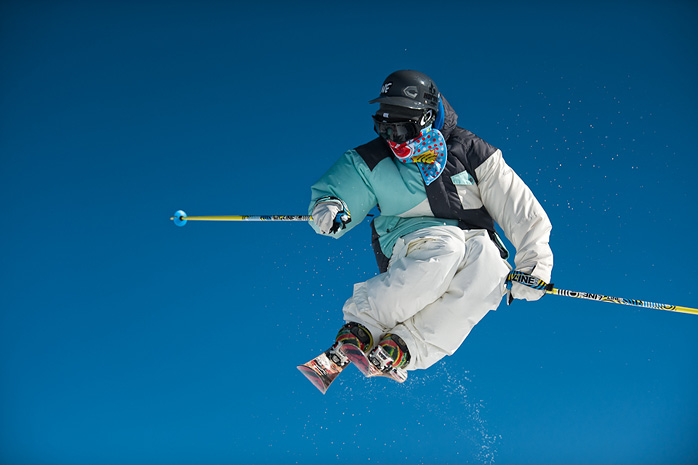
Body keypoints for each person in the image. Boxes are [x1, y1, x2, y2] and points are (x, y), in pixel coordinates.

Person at [308, 70, 553, 381]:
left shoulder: (470, 150)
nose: (390, 138)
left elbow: (519, 207)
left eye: (399, 129)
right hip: (409, 237)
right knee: (446, 245)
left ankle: (405, 347)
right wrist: (331, 207)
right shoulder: (373, 157)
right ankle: (364, 324)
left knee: (492, 269)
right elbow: (343, 185)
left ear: (425, 118)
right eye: (382, 126)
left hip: (474, 238)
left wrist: (535, 264)